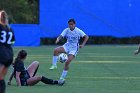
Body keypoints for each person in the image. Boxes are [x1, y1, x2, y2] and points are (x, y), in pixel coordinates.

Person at [0, 10, 15, 93]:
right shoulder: (10, 29)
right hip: (10, 54)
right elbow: (13, 41)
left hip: (2, 54)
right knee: (1, 78)